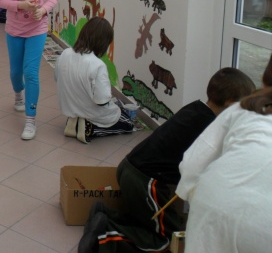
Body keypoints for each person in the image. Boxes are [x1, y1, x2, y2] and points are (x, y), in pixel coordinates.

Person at [78, 67, 255, 253]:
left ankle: (105, 215)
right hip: (145, 182)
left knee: (150, 220)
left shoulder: (196, 108)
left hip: (130, 167)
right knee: (168, 240)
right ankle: (105, 236)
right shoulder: (209, 126)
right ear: (230, 104)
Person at [176, 87, 272, 253]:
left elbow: (191, 165)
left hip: (214, 202)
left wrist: (198, 201)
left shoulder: (245, 107)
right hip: (262, 222)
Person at [0, 0, 59, 140]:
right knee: (16, 72)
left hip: (37, 29)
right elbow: (1, 1)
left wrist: (43, 9)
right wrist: (21, 5)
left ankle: (31, 120)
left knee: (31, 72)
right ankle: (18, 94)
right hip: (14, 30)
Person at [55, 17, 134, 144]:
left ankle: (75, 121)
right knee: (128, 123)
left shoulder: (65, 53)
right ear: (103, 43)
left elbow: (57, 77)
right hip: (91, 113)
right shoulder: (98, 65)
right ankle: (91, 128)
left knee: (115, 108)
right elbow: (101, 101)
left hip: (70, 108)